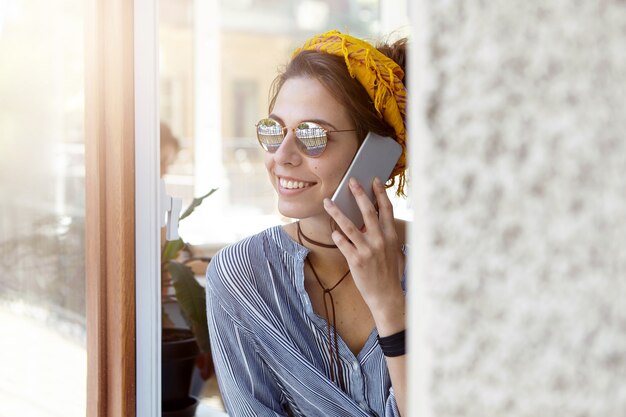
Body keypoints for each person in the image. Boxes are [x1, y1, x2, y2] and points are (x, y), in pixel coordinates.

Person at [206, 30, 408, 417]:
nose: (282, 156)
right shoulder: (241, 277)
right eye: (274, 130)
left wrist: (389, 306)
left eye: (313, 135)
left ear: (377, 150)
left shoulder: (441, 262)